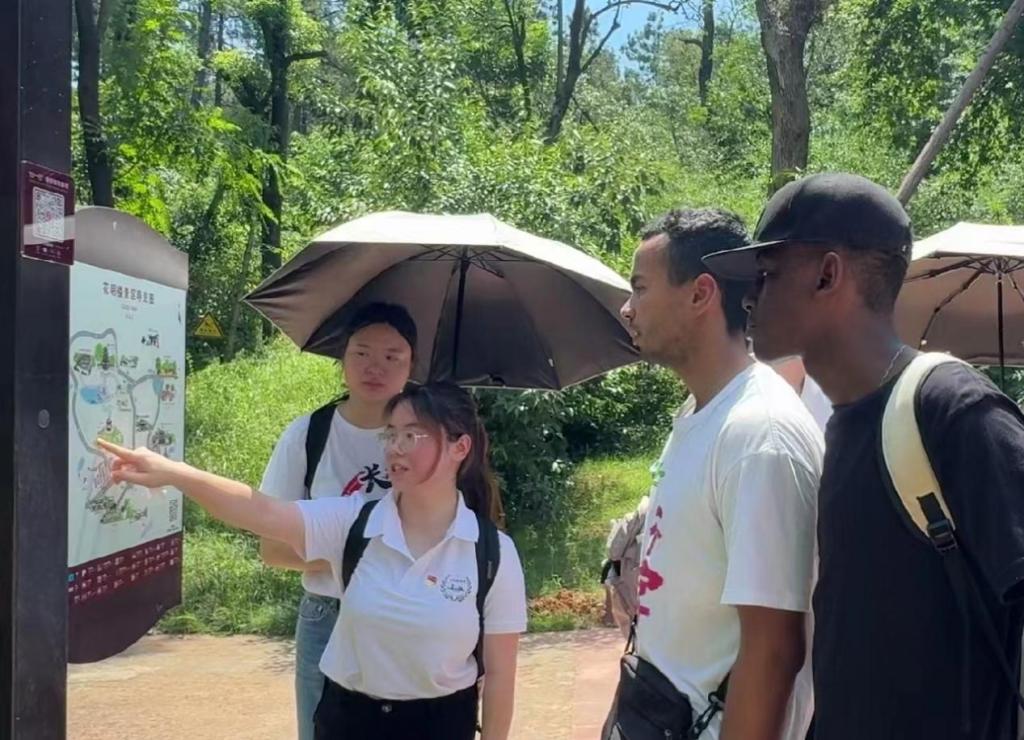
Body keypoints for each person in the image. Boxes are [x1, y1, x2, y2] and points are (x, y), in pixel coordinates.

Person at [703, 171, 1024, 739]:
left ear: (827, 275)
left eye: (767, 274)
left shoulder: (951, 410)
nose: (749, 296)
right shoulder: (845, 423)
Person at [99, 381, 527, 740]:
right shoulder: (354, 522)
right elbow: (264, 512)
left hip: (441, 724)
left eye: (412, 436)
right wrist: (174, 473)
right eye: (390, 434)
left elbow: (500, 677)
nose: (395, 448)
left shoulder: (491, 554)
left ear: (460, 447)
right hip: (349, 722)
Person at [605, 208, 823, 740]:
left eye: (640, 288)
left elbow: (773, 649)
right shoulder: (701, 411)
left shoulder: (759, 435)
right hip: (656, 713)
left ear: (701, 293)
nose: (627, 308)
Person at [259, 302, 417, 740]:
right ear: (342, 359)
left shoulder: (427, 440)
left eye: (392, 356)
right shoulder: (308, 434)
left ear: (412, 366)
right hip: (328, 616)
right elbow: (273, 548)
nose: (375, 367)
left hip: (411, 613)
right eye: (361, 352)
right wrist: (360, 561)